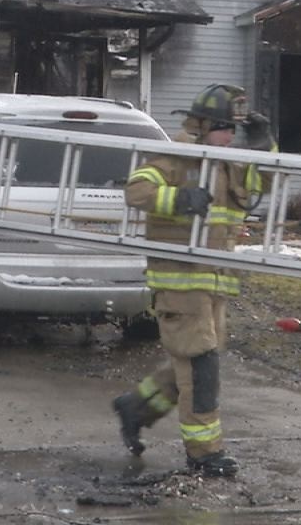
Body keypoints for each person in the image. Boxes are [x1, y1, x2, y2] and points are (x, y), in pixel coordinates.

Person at [111, 84, 275, 476]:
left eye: (233, 129)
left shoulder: (230, 160)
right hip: (180, 284)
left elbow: (261, 183)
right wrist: (179, 201)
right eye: (222, 127)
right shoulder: (177, 155)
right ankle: (204, 453)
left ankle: (137, 406)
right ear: (199, 126)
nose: (229, 136)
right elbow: (136, 191)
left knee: (194, 360)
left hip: (214, 283)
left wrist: (264, 144)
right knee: (201, 368)